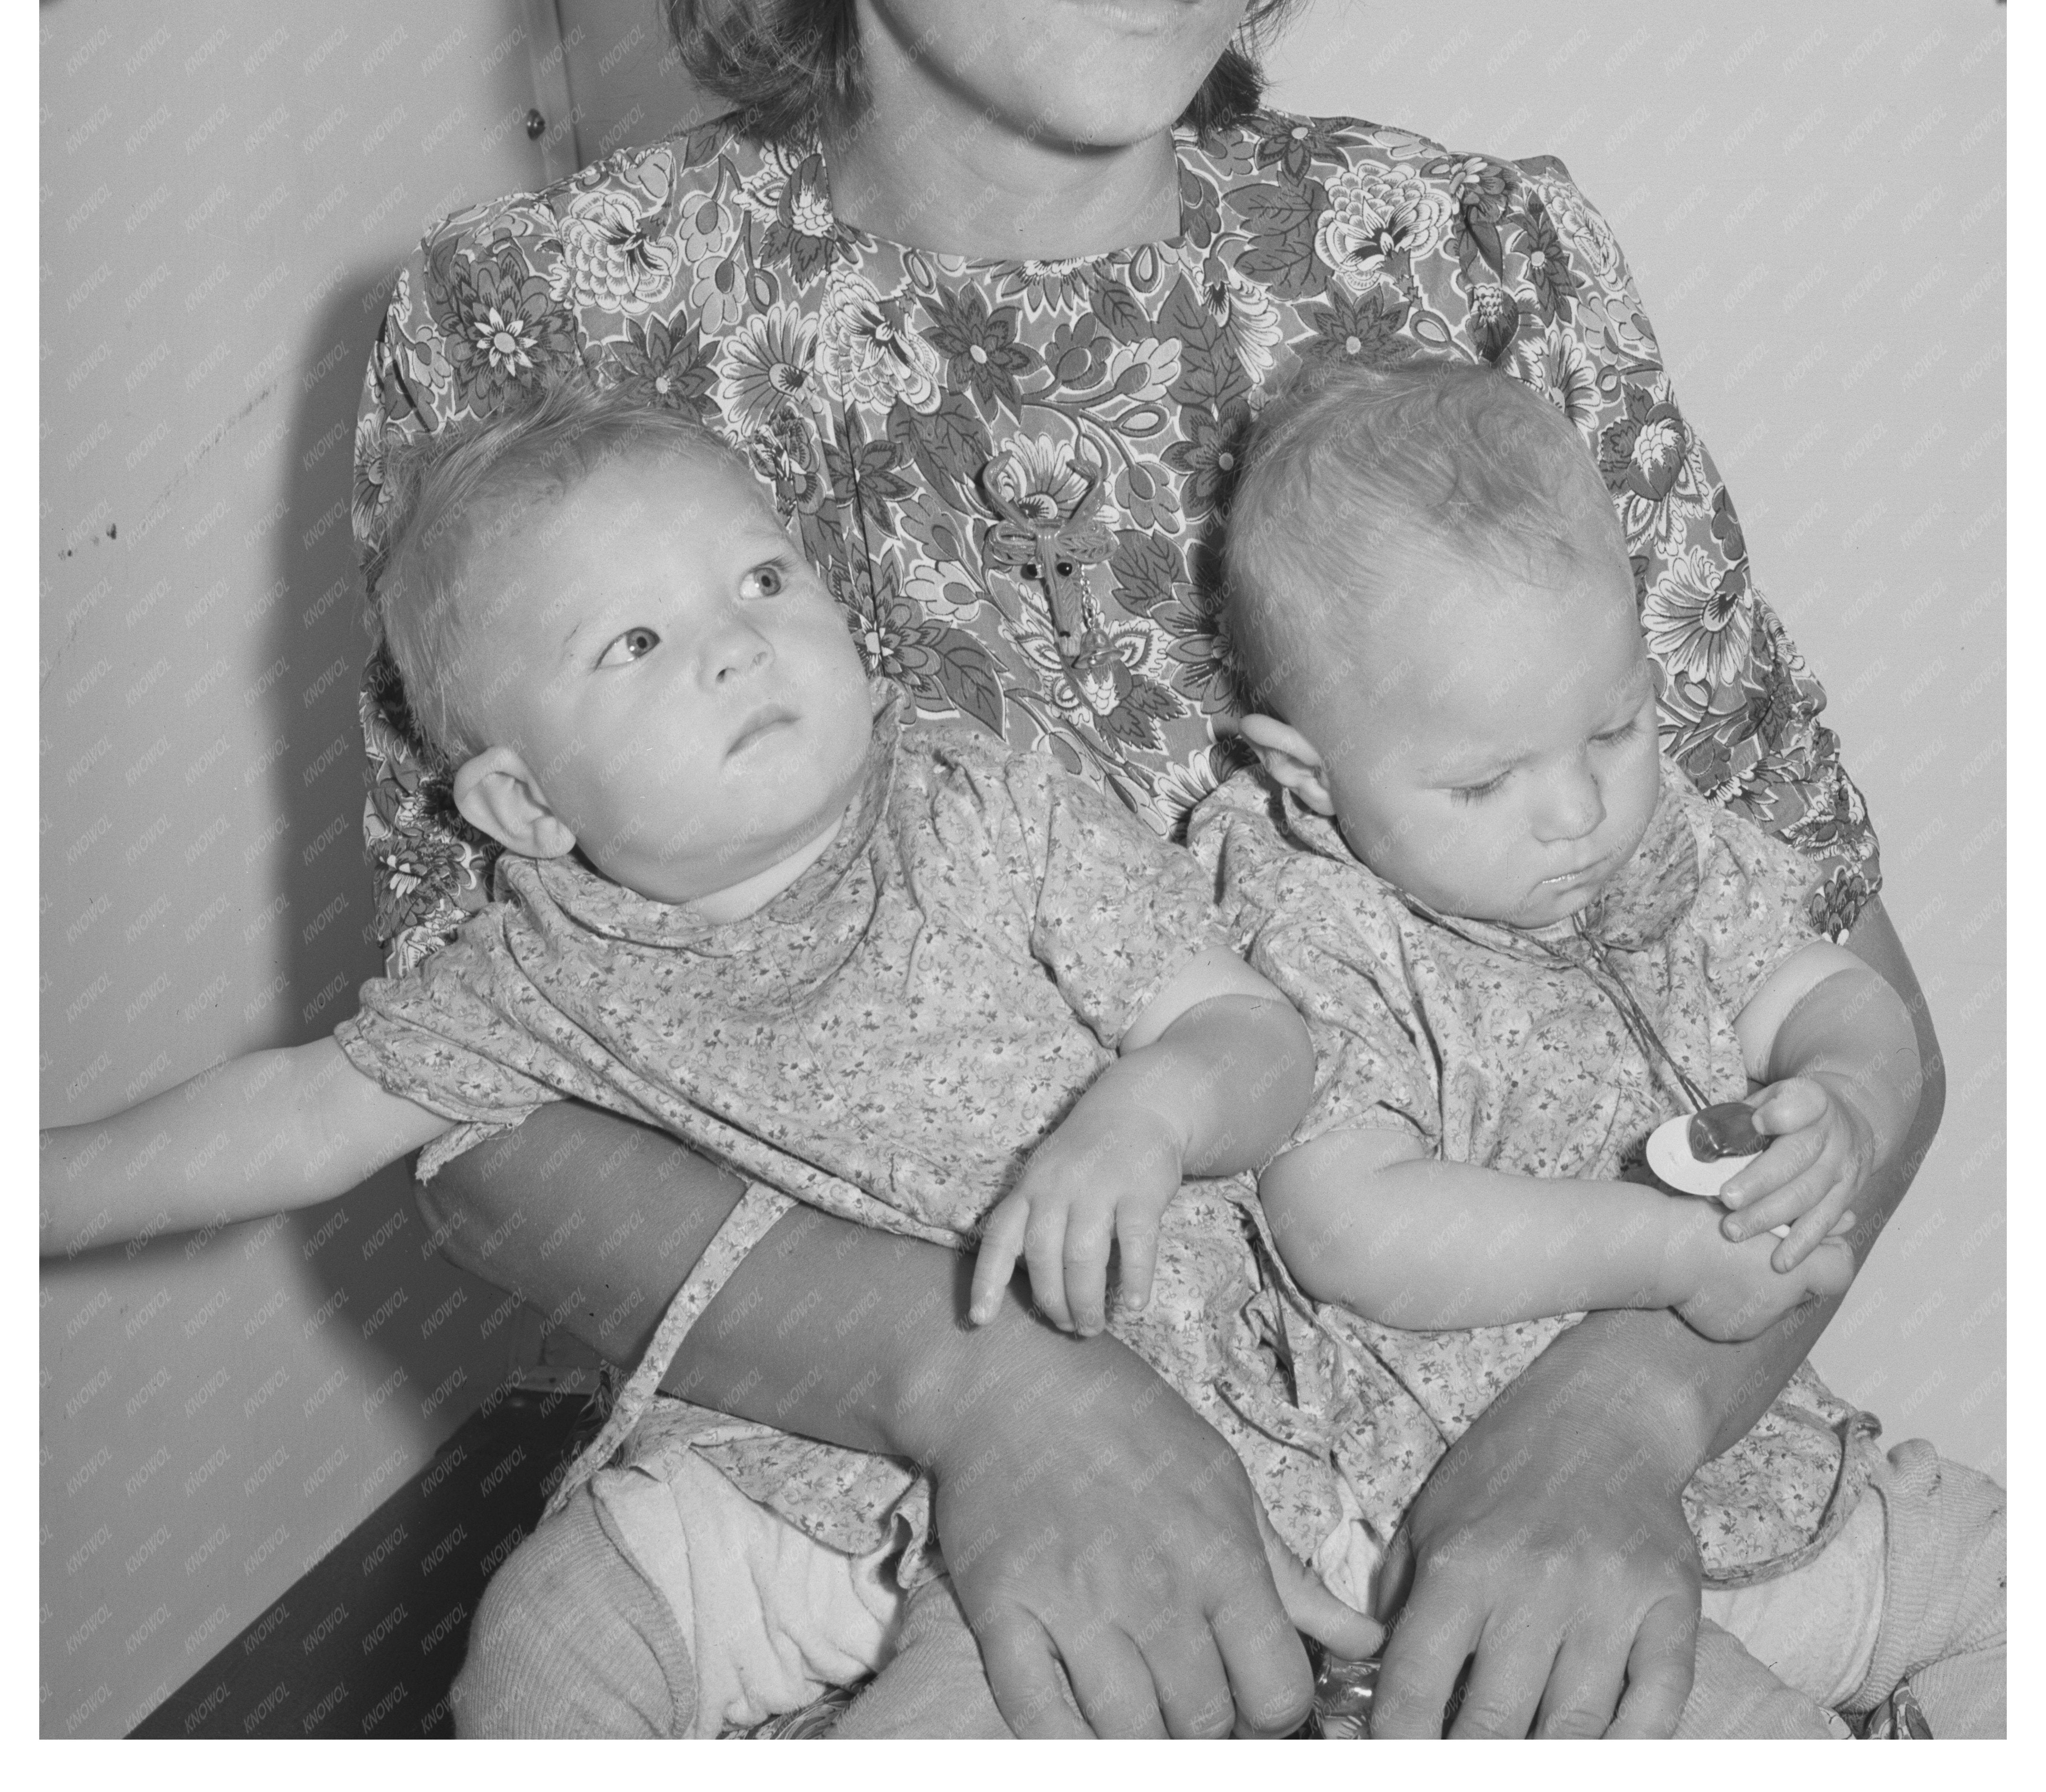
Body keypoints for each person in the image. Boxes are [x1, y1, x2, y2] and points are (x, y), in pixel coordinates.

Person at [353, 0, 1944, 1738]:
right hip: (859, 1523)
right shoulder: (544, 333)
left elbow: (1824, 966)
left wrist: (1616, 1423)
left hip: (1528, 1453)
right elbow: (460, 1108)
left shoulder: (1463, 261)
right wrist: (981, 1394)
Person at [40, 390, 1368, 1736]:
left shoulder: (983, 802)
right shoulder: (539, 966)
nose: (738, 645)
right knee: (550, 1626)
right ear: (527, 806)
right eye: (634, 640)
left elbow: (1257, 1045)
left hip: (1107, 1430)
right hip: (769, 1452)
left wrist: (1150, 1113)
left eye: (761, 577)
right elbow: (289, 1117)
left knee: (983, 1700)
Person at [1203, 357, 2003, 1736]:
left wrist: (1851, 1096)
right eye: (1485, 780)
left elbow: (1824, 986)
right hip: (1487, 1558)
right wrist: (1664, 1254)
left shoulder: (1657, 853)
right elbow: (1347, 1221)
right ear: (1304, 780)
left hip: (1782, 1478)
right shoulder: (1304, 920)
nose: (1576, 808)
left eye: (1614, 727)